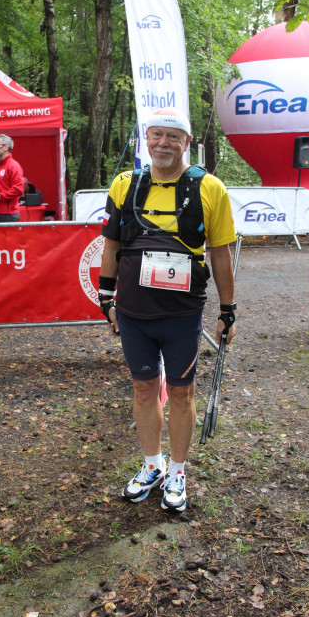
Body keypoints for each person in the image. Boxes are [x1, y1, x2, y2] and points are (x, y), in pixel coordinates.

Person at [99, 107, 237, 513]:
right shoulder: (125, 184)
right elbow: (111, 245)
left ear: (186, 143)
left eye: (172, 136)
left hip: (182, 313)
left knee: (181, 392)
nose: (163, 143)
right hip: (135, 311)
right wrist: (107, 299)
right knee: (143, 389)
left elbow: (221, 253)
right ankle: (151, 465)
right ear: (147, 138)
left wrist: (228, 310)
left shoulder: (210, 188)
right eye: (156, 134)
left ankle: (177, 470)